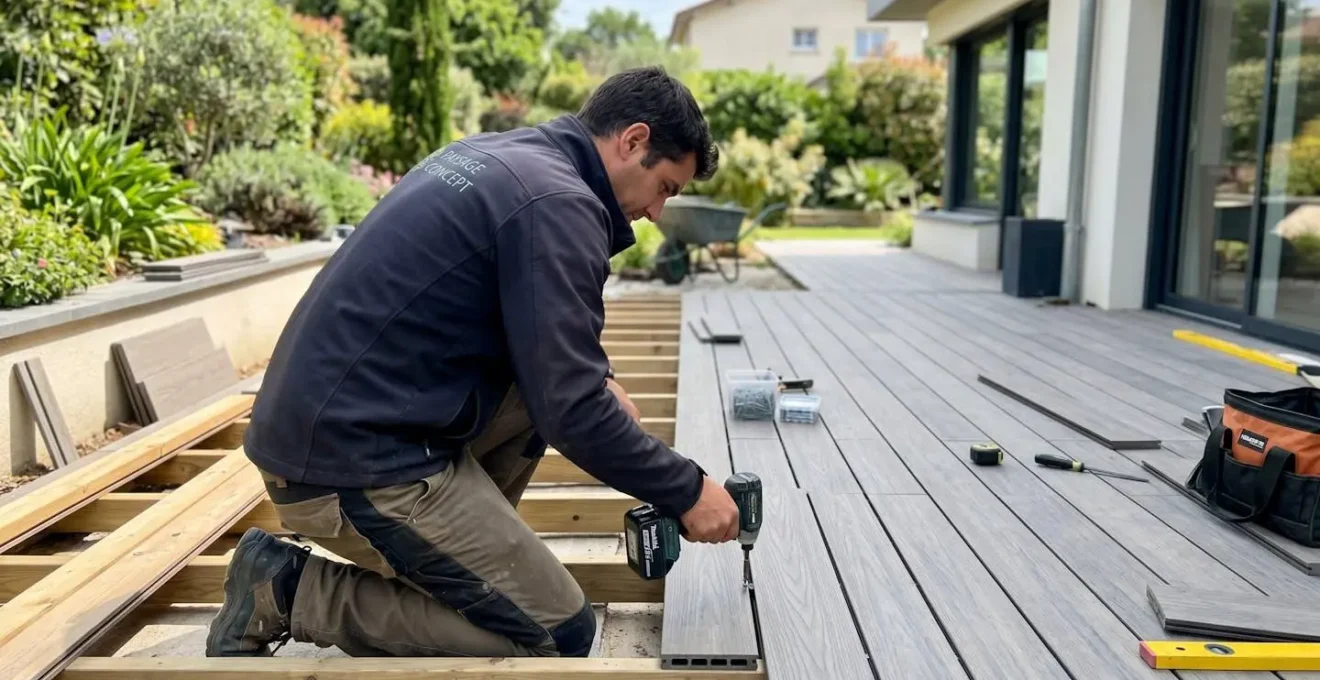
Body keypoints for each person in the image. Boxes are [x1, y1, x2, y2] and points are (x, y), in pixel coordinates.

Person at [205, 66, 741, 659]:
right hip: (350, 465)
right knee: (555, 631)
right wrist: (688, 489)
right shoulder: (561, 202)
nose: (658, 212)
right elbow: (571, 409)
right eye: (665, 186)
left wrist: (600, 379)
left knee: (561, 393)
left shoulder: (500, 157)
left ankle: (455, 563)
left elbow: (532, 326)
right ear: (633, 140)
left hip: (340, 426)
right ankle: (286, 590)